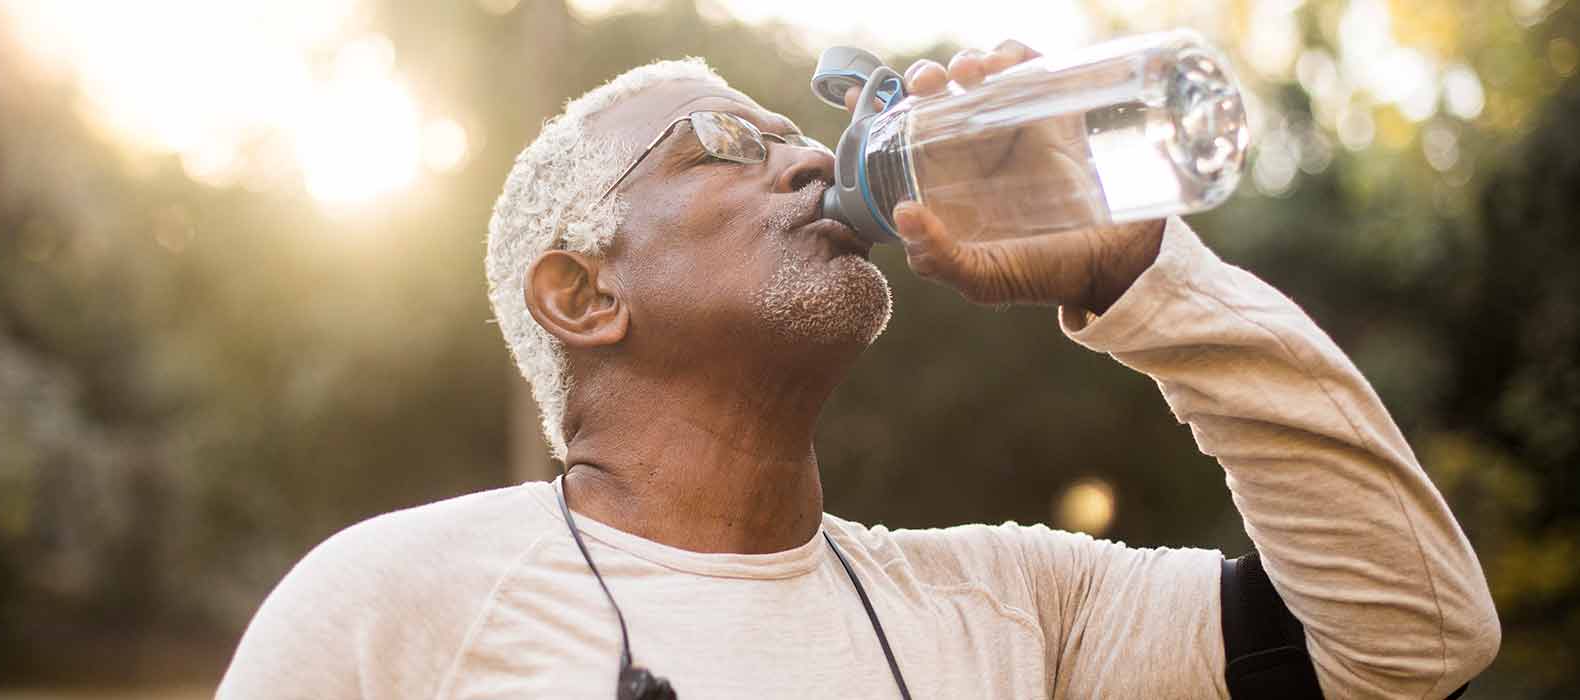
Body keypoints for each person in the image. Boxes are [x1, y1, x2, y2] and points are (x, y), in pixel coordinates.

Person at [218, 41, 1499, 699]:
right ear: (583, 291)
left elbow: (1412, 639)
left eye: (799, 135)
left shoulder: (1013, 608)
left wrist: (1140, 277)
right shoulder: (397, 605)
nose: (804, 163)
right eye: (720, 142)